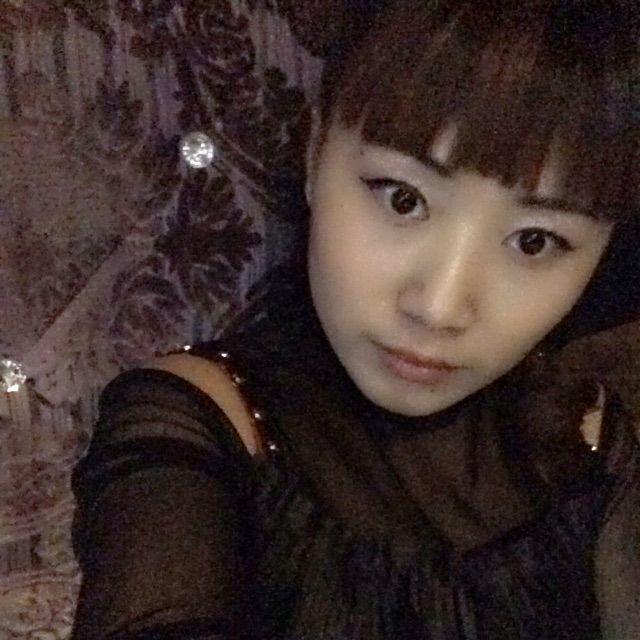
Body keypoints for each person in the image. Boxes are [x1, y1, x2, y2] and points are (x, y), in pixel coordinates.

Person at [70, 1, 640, 638]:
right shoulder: (197, 423)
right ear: (314, 155)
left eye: (534, 241)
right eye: (404, 198)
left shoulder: (581, 435)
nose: (439, 308)